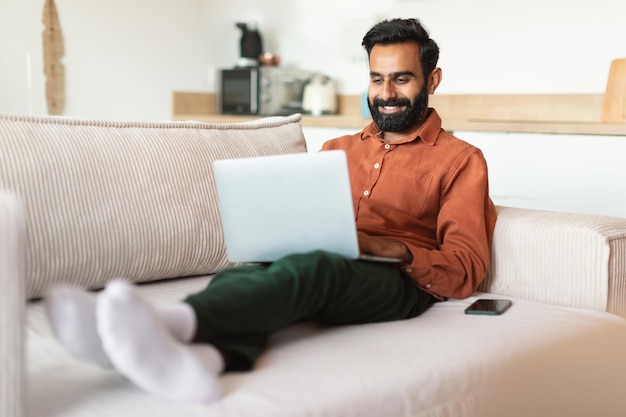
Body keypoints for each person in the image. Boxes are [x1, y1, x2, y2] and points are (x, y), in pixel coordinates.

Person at [44, 18, 497, 404]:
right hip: (331, 259)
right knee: (251, 271)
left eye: (402, 78)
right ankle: (203, 361)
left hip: (398, 281)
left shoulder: (461, 159)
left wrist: (385, 247)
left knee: (317, 268)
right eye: (377, 79)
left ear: (432, 80)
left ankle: (165, 326)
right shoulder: (336, 149)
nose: (386, 92)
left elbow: (466, 267)